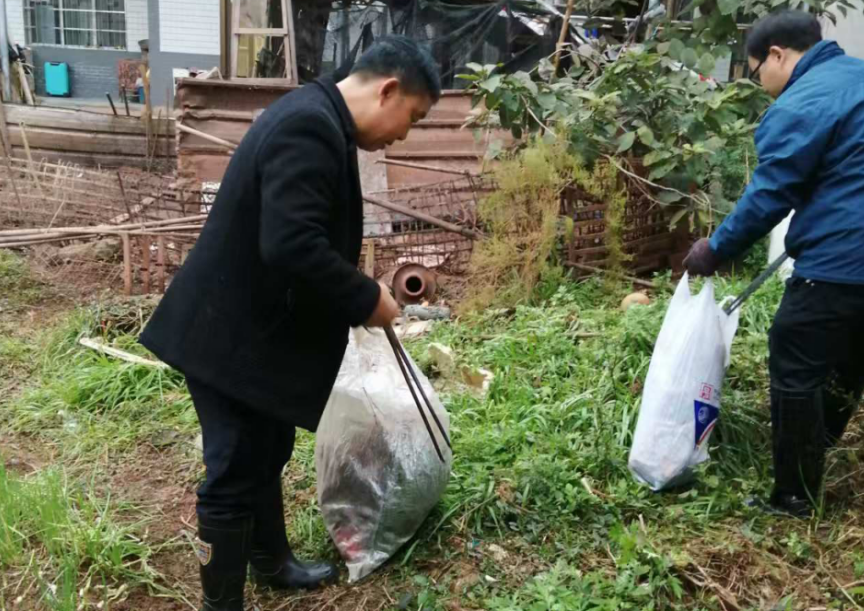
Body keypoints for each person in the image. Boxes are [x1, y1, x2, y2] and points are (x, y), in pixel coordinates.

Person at [139, 36, 441, 610]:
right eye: (414, 116)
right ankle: (222, 603)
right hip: (226, 337)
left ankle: (272, 562)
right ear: (388, 90)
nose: (406, 134)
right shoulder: (309, 127)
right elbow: (291, 243)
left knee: (268, 445)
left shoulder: (321, 118)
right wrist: (365, 297)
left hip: (251, 328)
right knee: (234, 468)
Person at [684, 11, 864, 516]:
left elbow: (770, 194)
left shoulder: (803, 101)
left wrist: (715, 249)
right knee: (851, 353)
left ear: (778, 55)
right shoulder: (856, 77)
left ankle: (794, 496)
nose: (758, 81)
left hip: (841, 259)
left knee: (795, 352)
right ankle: (818, 443)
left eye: (755, 70)